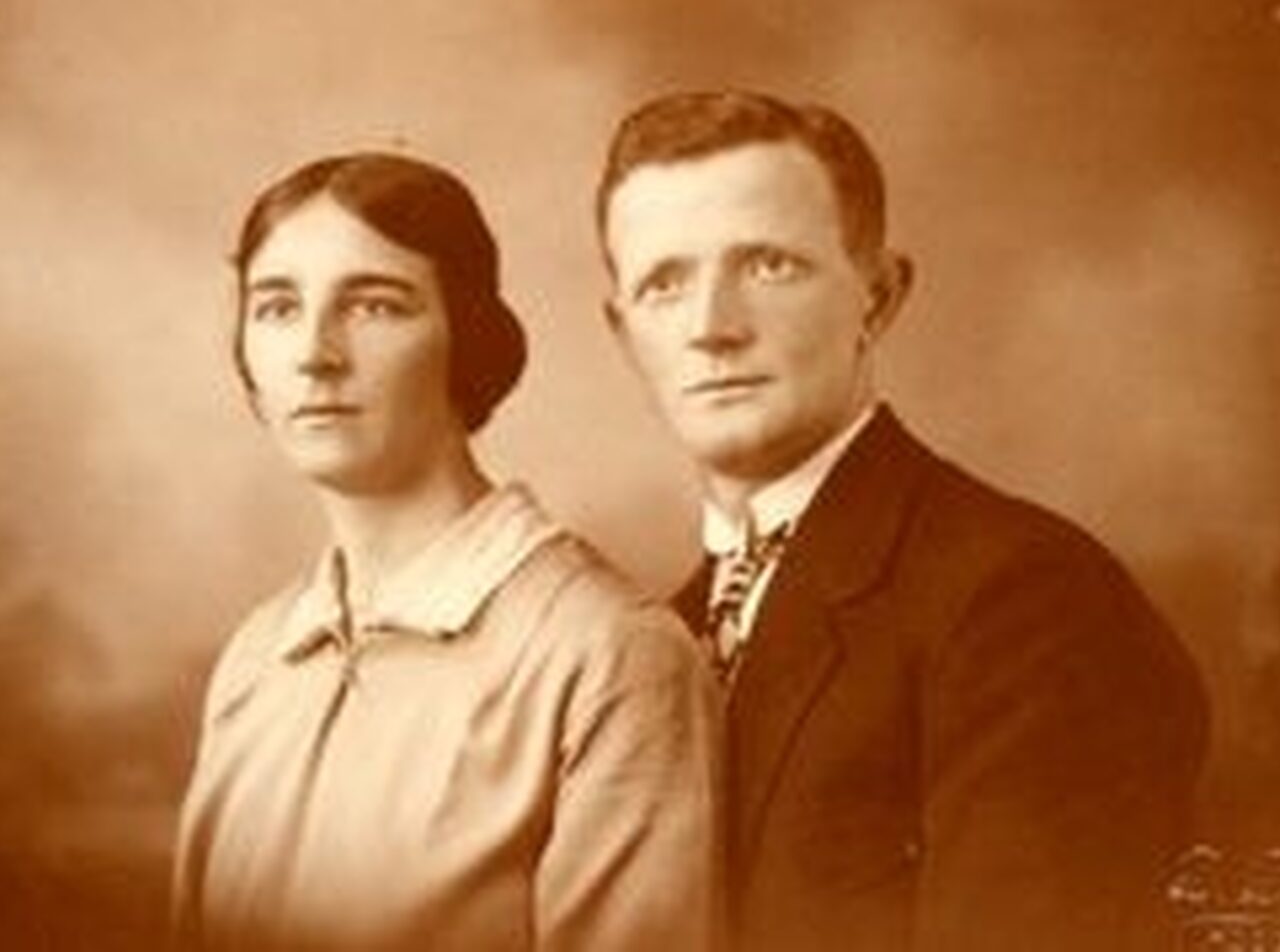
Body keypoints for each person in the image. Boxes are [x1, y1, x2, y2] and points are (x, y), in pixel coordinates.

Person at [596, 89, 1209, 952]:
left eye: (768, 265)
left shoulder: (1026, 603)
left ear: (878, 297)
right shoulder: (659, 638)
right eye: (665, 284)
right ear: (624, 335)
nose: (711, 327)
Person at [172, 152, 720, 952]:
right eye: (278, 307)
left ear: (467, 340)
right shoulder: (256, 660)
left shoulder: (607, 654)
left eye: (375, 306)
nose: (315, 353)